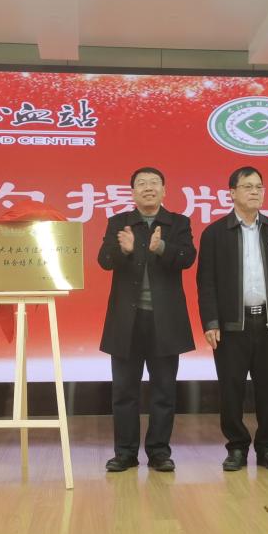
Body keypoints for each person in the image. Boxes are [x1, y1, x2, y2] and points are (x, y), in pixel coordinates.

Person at [197, 166, 268, 472]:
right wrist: (211, 322)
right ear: (232, 193)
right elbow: (206, 283)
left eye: (259, 187)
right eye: (247, 186)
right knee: (231, 390)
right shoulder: (215, 233)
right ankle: (237, 447)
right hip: (231, 326)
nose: (255, 192)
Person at [98, 167, 196, 472]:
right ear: (133, 192)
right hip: (126, 321)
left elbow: (188, 258)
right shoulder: (119, 223)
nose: (148, 188)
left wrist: (162, 248)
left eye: (154, 183)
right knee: (124, 391)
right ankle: (125, 453)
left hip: (164, 321)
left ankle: (159, 452)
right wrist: (123, 251)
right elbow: (104, 261)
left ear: (164, 190)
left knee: (164, 391)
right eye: (141, 183)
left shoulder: (178, 223)